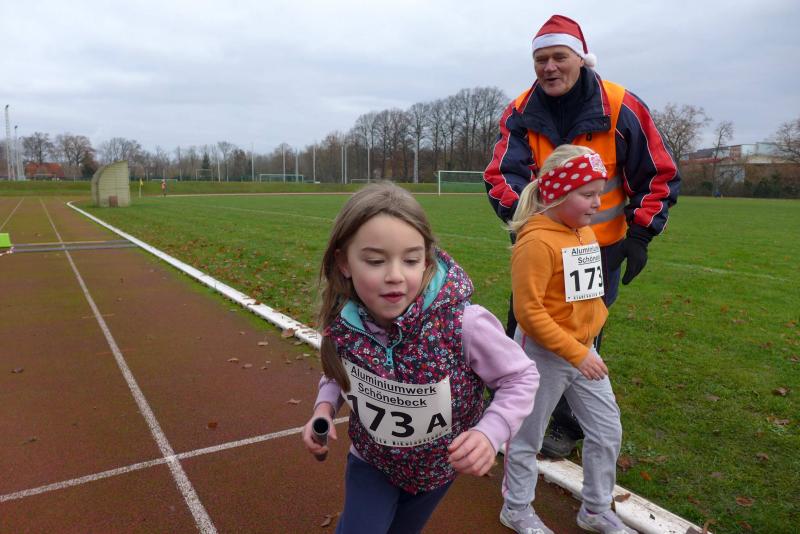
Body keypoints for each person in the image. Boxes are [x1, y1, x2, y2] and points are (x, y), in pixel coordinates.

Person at [484, 14, 680, 459]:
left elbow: (658, 173)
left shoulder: (621, 105)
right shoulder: (519, 112)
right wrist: (531, 223)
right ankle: (510, 406)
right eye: (540, 59)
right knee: (525, 325)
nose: (549, 67)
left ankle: (566, 422)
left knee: (583, 331)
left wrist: (641, 235)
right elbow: (501, 175)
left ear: (581, 59)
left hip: (599, 248)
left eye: (559, 57)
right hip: (541, 245)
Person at [301, 182, 539, 534]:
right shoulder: (343, 322)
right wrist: (324, 408)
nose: (395, 276)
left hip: (436, 472)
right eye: (375, 261)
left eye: (411, 260)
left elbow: (520, 377)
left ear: (427, 259)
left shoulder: (464, 324)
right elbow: (340, 372)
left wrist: (491, 432)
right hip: (371, 461)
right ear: (344, 262)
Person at [500, 144, 634, 534]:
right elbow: (528, 312)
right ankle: (516, 508)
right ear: (558, 193)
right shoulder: (535, 243)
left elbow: (585, 293)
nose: (598, 203)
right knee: (527, 435)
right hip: (543, 355)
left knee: (607, 430)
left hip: (581, 352)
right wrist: (576, 352)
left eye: (599, 193)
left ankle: (595, 509)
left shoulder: (584, 232)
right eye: (587, 194)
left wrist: (589, 334)